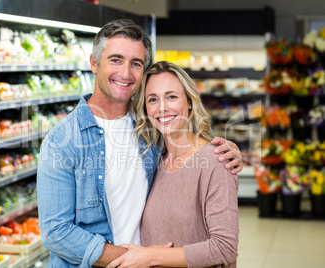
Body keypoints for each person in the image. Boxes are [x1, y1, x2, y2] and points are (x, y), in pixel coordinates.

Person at [37, 19, 243, 268]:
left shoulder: (149, 129)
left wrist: (222, 153)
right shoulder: (61, 141)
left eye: (135, 63)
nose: (125, 73)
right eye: (115, 59)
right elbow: (56, 232)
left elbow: (188, 150)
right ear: (94, 63)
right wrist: (130, 257)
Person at [106, 61, 239, 268]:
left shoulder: (216, 161)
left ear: (189, 102)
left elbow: (225, 247)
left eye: (171, 97)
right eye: (152, 99)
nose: (162, 108)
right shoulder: (154, 161)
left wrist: (148, 257)